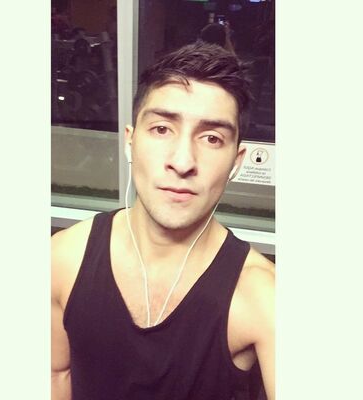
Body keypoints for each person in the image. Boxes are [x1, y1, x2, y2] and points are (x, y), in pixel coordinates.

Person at [51, 41, 275, 400]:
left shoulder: (265, 295)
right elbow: (55, 376)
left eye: (212, 138)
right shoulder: (62, 258)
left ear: (236, 161)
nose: (182, 161)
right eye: (161, 129)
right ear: (130, 141)